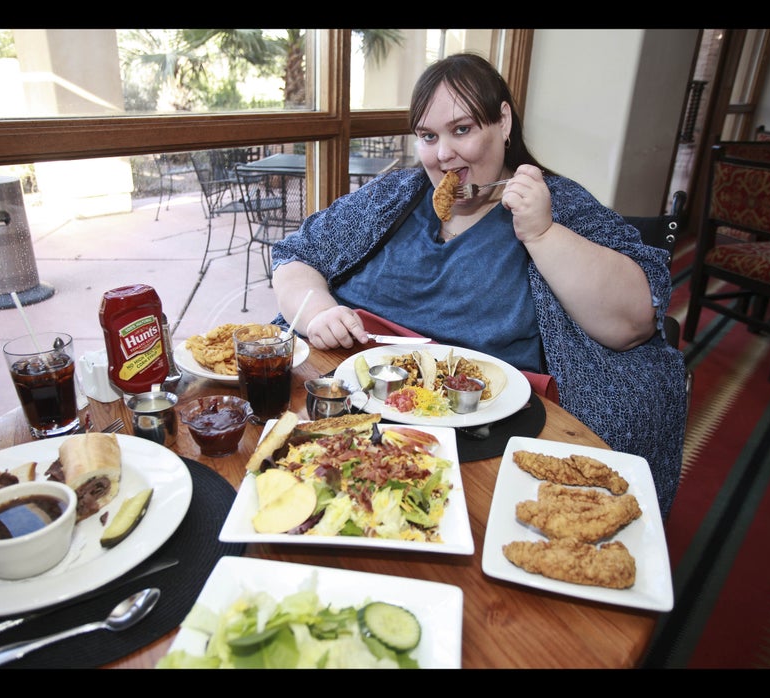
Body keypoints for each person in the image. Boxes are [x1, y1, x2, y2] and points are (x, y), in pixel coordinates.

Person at [269, 52, 687, 518]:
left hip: (489, 437)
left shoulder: (556, 204)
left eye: (462, 130)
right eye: (429, 136)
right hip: (354, 403)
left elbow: (634, 321)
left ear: (504, 122)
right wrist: (319, 311)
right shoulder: (394, 195)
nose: (443, 153)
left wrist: (543, 233)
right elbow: (295, 257)